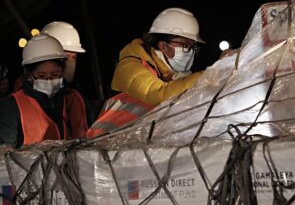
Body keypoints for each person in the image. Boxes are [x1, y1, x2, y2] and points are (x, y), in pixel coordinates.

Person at [87, 7, 233, 138]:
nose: (190, 52)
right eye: (184, 45)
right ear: (163, 46)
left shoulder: (172, 75)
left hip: (135, 146)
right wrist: (211, 73)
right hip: (103, 145)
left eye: (192, 47)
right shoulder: (130, 66)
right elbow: (158, 94)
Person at [0, 34, 90, 148]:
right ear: (28, 75)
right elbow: (4, 156)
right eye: (42, 75)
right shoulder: (11, 105)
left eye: (55, 74)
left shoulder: (70, 99)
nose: (49, 80)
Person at [14, 21, 86, 91]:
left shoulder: (72, 92)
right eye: (65, 56)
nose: (70, 62)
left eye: (74, 57)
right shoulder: (23, 86)